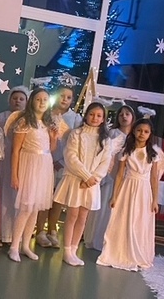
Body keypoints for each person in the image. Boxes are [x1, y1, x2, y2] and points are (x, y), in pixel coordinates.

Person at [97, 119, 163, 271]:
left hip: (144, 190)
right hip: (128, 187)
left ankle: (138, 253)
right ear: (133, 131)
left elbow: (154, 178)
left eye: (146, 132)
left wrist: (155, 200)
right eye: (139, 130)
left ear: (150, 134)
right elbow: (120, 174)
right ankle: (121, 250)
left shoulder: (152, 154)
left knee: (140, 221)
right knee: (124, 218)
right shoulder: (127, 151)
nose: (142, 134)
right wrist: (114, 195)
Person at [53, 100, 112, 266]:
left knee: (83, 217)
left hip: (92, 183)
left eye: (98, 115)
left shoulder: (106, 140)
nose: (95, 118)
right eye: (92, 114)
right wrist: (86, 176)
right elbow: (71, 156)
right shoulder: (76, 134)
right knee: (72, 215)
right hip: (77, 180)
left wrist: (94, 178)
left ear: (103, 119)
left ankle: (73, 249)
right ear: (86, 116)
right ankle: (66, 251)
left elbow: (105, 162)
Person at [8, 88, 57, 262]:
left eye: (45, 99)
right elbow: (15, 150)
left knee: (35, 208)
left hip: (44, 166)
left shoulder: (48, 123)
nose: (42, 102)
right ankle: (14, 246)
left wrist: (54, 137)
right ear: (32, 101)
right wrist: (14, 175)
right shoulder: (24, 122)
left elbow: (50, 149)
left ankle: (26, 245)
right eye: (38, 99)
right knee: (26, 207)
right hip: (29, 166)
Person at [35, 84, 83, 248]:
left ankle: (52, 230)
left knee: (58, 199)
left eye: (68, 97)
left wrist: (61, 161)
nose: (64, 99)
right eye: (62, 95)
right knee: (44, 196)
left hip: (64, 164)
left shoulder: (75, 119)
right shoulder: (46, 113)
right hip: (45, 159)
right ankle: (40, 230)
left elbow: (76, 144)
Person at [85, 102, 135, 251]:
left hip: (127, 177)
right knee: (104, 207)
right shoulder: (112, 133)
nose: (124, 117)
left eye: (127, 114)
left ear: (132, 117)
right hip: (111, 176)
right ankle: (97, 239)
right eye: (121, 114)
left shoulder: (135, 136)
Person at [0, 86, 28, 244]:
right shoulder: (0, 117)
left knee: (14, 198)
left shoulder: (28, 120)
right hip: (2, 160)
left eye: (21, 99)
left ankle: (13, 235)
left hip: (21, 162)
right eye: (15, 98)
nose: (18, 101)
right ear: (9, 100)